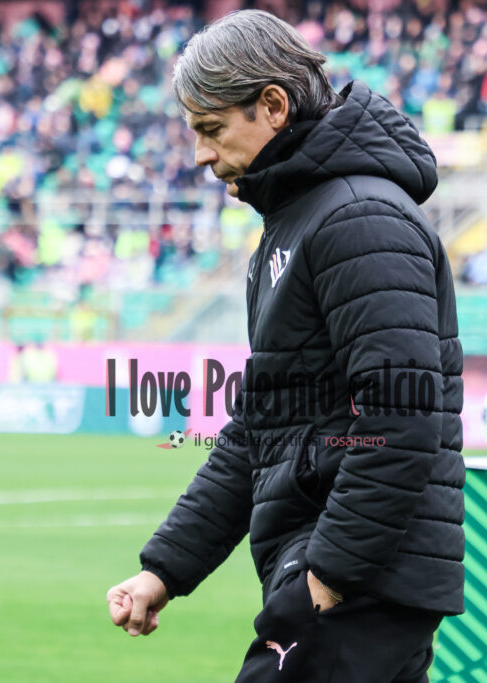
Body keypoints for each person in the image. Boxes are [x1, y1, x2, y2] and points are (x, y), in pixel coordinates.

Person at [105, 10, 464, 683]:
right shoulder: (297, 222)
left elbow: (401, 415)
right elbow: (260, 429)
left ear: (272, 105)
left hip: (359, 580)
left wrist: (328, 576)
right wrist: (166, 567)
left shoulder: (359, 216)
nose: (202, 154)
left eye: (212, 130)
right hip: (346, 574)